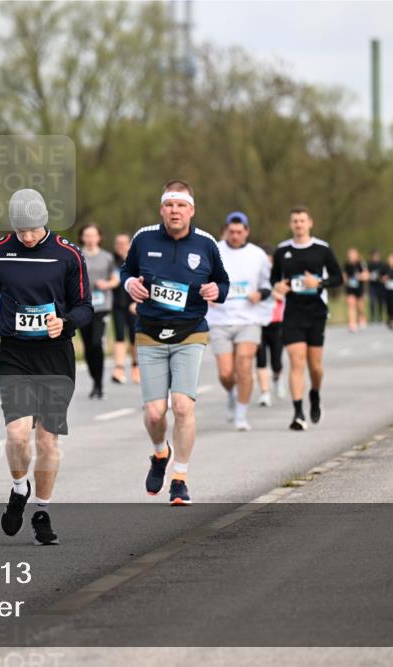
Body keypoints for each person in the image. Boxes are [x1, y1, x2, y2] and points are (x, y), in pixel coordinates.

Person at [0, 188, 92, 545]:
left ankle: (42, 511)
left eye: (33, 229)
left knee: (47, 440)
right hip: (15, 353)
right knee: (16, 433)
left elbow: (85, 306)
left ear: (45, 221)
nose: (27, 236)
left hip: (55, 355)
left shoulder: (68, 254)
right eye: (21, 230)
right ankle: (18, 487)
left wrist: (67, 323)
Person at [121, 180, 229, 505]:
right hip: (150, 331)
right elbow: (126, 270)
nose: (175, 211)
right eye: (169, 205)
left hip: (190, 331)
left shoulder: (206, 244)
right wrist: (129, 284)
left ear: (191, 210)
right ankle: (159, 454)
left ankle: (179, 478)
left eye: (181, 205)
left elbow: (222, 282)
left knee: (182, 406)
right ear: (162, 209)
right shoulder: (144, 238)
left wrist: (216, 292)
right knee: (155, 414)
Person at [271, 206, 343, 431]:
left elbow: (338, 277)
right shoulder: (282, 251)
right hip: (292, 312)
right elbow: (273, 280)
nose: (299, 225)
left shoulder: (322, 249)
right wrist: (278, 287)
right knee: (296, 361)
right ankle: (298, 413)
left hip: (316, 312)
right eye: (295, 221)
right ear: (290, 224)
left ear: (310, 223)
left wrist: (319, 283)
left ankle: (314, 394)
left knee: (315, 366)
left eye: (302, 221)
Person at [205, 211, 271, 431]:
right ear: (226, 230)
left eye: (239, 232)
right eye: (231, 232)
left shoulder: (258, 255)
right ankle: (231, 393)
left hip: (248, 318)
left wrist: (260, 295)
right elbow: (201, 278)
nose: (235, 236)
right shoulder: (214, 250)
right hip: (219, 319)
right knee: (225, 373)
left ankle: (241, 414)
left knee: (244, 362)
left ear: (247, 232)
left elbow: (268, 284)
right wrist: (208, 294)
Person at [78, 223, 119, 399]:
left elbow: (115, 279)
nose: (90, 238)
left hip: (102, 306)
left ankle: (99, 384)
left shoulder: (107, 257)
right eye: (86, 235)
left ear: (99, 237)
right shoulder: (76, 255)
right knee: (87, 345)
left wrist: (107, 284)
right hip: (81, 305)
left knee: (96, 343)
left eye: (93, 235)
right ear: (82, 237)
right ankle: (94, 380)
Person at [255, 244, 286, 406]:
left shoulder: (279, 276)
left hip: (277, 322)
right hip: (258, 322)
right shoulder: (255, 276)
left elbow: (285, 293)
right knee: (261, 359)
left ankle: (277, 378)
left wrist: (276, 293)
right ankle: (264, 392)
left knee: (276, 361)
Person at [110, 233, 139, 384]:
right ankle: (119, 369)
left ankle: (136, 367)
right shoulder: (112, 261)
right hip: (117, 304)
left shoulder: (136, 260)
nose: (121, 245)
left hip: (133, 304)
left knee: (134, 337)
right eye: (118, 243)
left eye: (124, 243)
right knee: (119, 335)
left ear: (130, 244)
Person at [343, 248, 370, 333]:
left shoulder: (361, 264)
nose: (351, 257)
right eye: (350, 255)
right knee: (351, 304)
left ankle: (362, 317)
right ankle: (352, 323)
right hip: (350, 288)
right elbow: (344, 275)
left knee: (360, 306)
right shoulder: (346, 265)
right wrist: (345, 279)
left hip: (359, 288)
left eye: (353, 255)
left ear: (357, 255)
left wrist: (360, 276)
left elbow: (367, 276)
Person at [367, 249, 385, 324]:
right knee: (372, 301)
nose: (375, 257)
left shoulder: (382, 265)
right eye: (374, 256)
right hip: (372, 285)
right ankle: (372, 317)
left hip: (380, 285)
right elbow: (366, 274)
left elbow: (385, 275)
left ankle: (380, 316)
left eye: (376, 256)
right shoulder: (369, 265)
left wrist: (381, 278)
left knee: (380, 301)